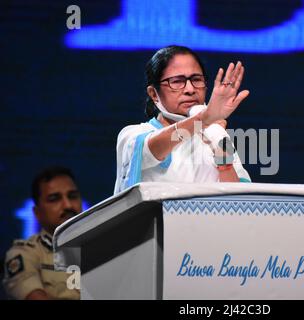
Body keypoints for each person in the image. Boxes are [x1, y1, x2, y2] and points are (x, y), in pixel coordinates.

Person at [114, 45, 251, 194]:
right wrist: (202, 120)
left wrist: (223, 158)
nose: (190, 89)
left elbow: (240, 199)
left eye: (196, 79)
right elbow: (153, 148)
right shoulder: (132, 136)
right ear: (154, 93)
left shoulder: (217, 135)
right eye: (177, 81)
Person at [3, 166, 82, 300]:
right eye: (54, 199)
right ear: (37, 213)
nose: (68, 205)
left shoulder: (101, 247)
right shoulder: (25, 253)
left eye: (72, 196)